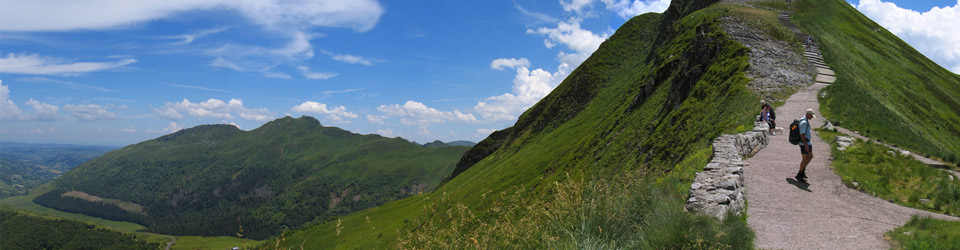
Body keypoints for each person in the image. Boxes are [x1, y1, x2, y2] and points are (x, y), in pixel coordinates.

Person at [796, 109, 815, 182]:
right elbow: (802, 134)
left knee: (810, 156)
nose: (812, 117)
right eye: (812, 116)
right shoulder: (804, 122)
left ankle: (802, 171)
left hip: (807, 143)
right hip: (804, 143)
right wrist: (806, 145)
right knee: (805, 158)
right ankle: (799, 174)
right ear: (808, 114)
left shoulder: (806, 121)